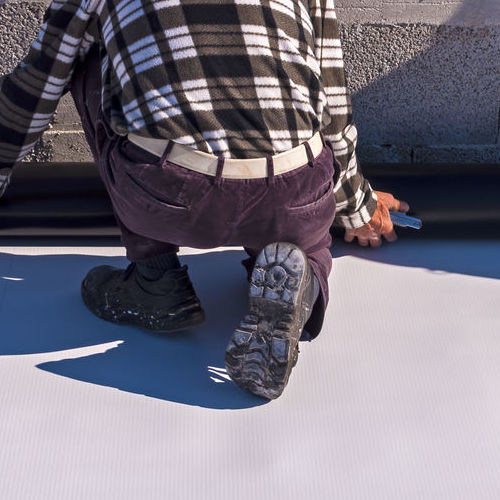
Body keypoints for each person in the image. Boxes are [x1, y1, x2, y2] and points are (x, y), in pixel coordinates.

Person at [0, 0, 409, 399]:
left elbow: (37, 84)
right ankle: (303, 287)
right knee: (304, 246)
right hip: (292, 189)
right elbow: (331, 103)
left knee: (84, 57)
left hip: (168, 193)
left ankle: (155, 277)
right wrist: (356, 204)